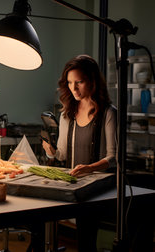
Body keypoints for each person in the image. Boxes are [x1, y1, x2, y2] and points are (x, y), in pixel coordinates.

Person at [42, 54, 117, 252]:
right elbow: (63, 155)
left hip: (99, 187)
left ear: (92, 81)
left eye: (79, 82)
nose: (73, 88)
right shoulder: (67, 113)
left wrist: (89, 168)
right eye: (69, 83)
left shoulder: (108, 113)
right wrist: (51, 153)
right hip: (75, 185)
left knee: (87, 237)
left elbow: (113, 157)